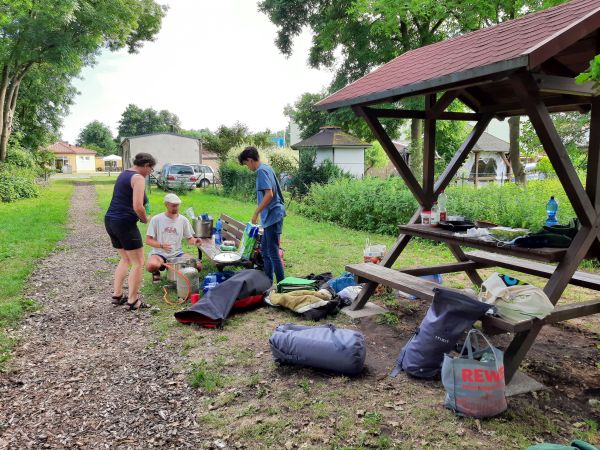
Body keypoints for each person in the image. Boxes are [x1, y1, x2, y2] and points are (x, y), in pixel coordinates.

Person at [104, 152, 155, 310]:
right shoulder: (138, 178)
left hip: (110, 221)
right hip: (124, 223)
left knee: (125, 259)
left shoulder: (124, 174)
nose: (149, 173)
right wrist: (145, 219)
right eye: (151, 169)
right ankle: (133, 301)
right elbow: (138, 206)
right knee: (138, 262)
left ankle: (117, 295)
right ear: (146, 165)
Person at [238, 146, 286, 283]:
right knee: (265, 250)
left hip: (272, 216)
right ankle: (268, 280)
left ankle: (282, 285)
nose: (247, 167)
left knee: (273, 252)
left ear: (250, 160)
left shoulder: (261, 171)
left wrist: (256, 212)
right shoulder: (267, 168)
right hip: (272, 215)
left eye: (246, 163)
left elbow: (269, 194)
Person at [145, 193, 202, 283]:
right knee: (151, 266)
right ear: (166, 205)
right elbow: (148, 240)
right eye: (173, 206)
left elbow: (189, 239)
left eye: (177, 205)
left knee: (198, 266)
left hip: (177, 254)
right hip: (159, 253)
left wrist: (195, 241)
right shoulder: (156, 219)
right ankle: (157, 271)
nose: (176, 208)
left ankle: (177, 271)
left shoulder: (183, 220)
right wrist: (161, 245)